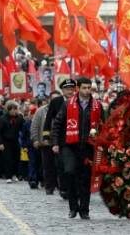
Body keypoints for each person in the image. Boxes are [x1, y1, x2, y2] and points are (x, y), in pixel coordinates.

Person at [51, 77, 103, 219]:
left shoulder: (97, 105)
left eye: (89, 88)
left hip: (88, 146)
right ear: (78, 89)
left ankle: (84, 210)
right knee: (70, 173)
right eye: (84, 88)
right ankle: (73, 207)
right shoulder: (68, 104)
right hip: (69, 145)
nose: (87, 91)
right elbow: (57, 123)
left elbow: (103, 125)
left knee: (85, 179)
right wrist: (55, 142)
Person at [42, 79, 76, 196]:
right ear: (62, 90)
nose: (70, 91)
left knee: (74, 165)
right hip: (60, 138)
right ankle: (63, 188)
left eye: (72, 89)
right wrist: (46, 137)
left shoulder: (78, 101)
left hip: (75, 137)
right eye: (67, 89)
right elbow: (48, 120)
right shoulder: (56, 102)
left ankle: (72, 188)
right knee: (61, 164)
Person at [0, 101, 24, 184]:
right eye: (13, 109)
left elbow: (23, 128)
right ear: (9, 110)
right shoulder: (2, 119)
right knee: (8, 159)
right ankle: (8, 176)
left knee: (16, 158)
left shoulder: (19, 118)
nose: (15, 111)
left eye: (16, 109)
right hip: (5, 141)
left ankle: (15, 174)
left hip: (15, 140)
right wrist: (0, 143)